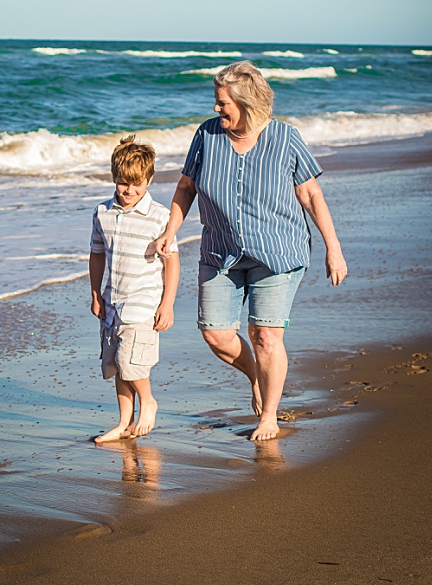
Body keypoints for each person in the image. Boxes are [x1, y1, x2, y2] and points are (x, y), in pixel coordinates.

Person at [148, 61, 348, 443]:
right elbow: (186, 187)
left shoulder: (285, 138)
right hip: (220, 252)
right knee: (216, 335)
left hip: (277, 253)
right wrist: (170, 231)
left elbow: (310, 194)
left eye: (222, 102)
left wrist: (333, 248)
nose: (216, 109)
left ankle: (269, 415)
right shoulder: (207, 135)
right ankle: (258, 374)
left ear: (246, 102)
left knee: (265, 336)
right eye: (216, 101)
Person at [89, 137, 179, 442]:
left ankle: (148, 402)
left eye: (136, 184)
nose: (129, 190)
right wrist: (95, 293)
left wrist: (167, 304)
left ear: (149, 180)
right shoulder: (102, 212)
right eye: (122, 183)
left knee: (131, 363)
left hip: (143, 302)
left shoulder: (160, 216)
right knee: (116, 365)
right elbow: (97, 254)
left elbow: (172, 262)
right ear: (113, 178)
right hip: (112, 302)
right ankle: (123, 423)